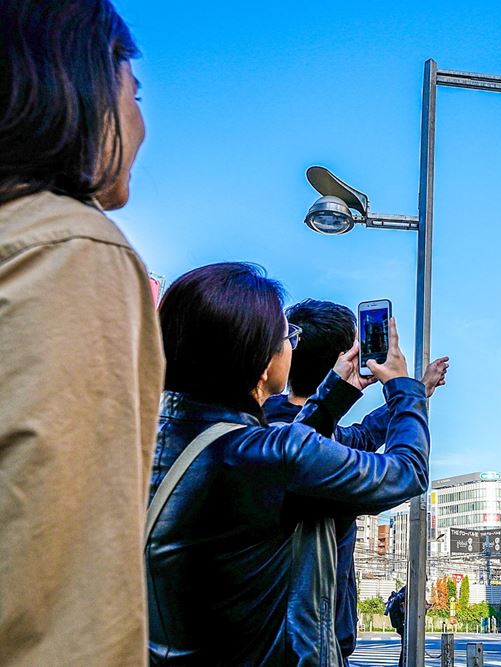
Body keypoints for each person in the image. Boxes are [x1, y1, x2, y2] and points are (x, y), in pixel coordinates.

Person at [146, 262, 430, 665]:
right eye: (287, 337)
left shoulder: (145, 441)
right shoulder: (269, 456)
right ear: (261, 362)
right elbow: (407, 473)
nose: (291, 347)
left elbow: (283, 462)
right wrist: (405, 389)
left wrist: (334, 393)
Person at [0, 2, 164, 664]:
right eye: (135, 90)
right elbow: (64, 606)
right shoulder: (69, 249)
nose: (143, 124)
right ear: (75, 85)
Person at [263, 298, 448, 665]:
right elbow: (406, 471)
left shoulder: (263, 426)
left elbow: (360, 436)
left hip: (280, 637)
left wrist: (415, 391)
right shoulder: (305, 451)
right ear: (346, 355)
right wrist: (400, 389)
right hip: (304, 644)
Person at [386, 586, 407, 667]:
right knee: (406, 649)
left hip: (401, 624)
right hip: (404, 624)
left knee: (404, 648)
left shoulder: (402, 592)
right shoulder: (409, 592)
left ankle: (402, 664)